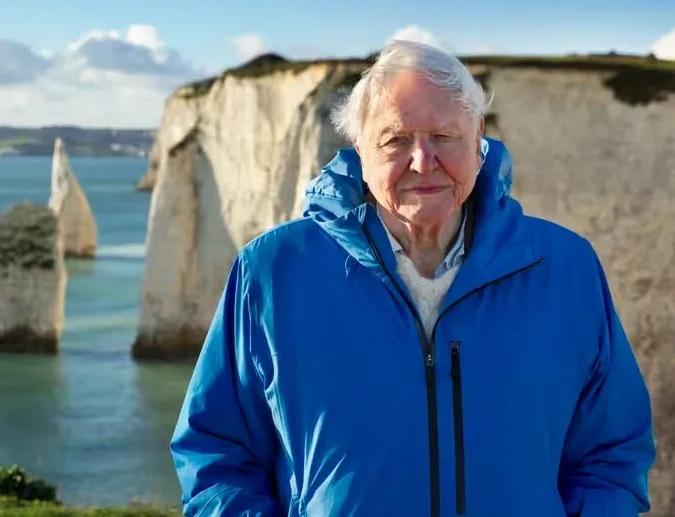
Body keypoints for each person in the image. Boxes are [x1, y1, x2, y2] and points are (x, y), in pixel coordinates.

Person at [169, 39, 656, 517]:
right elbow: (216, 453)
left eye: (444, 137)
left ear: (478, 138)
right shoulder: (273, 270)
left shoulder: (565, 268)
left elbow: (612, 453)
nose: (423, 161)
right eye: (396, 140)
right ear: (360, 148)